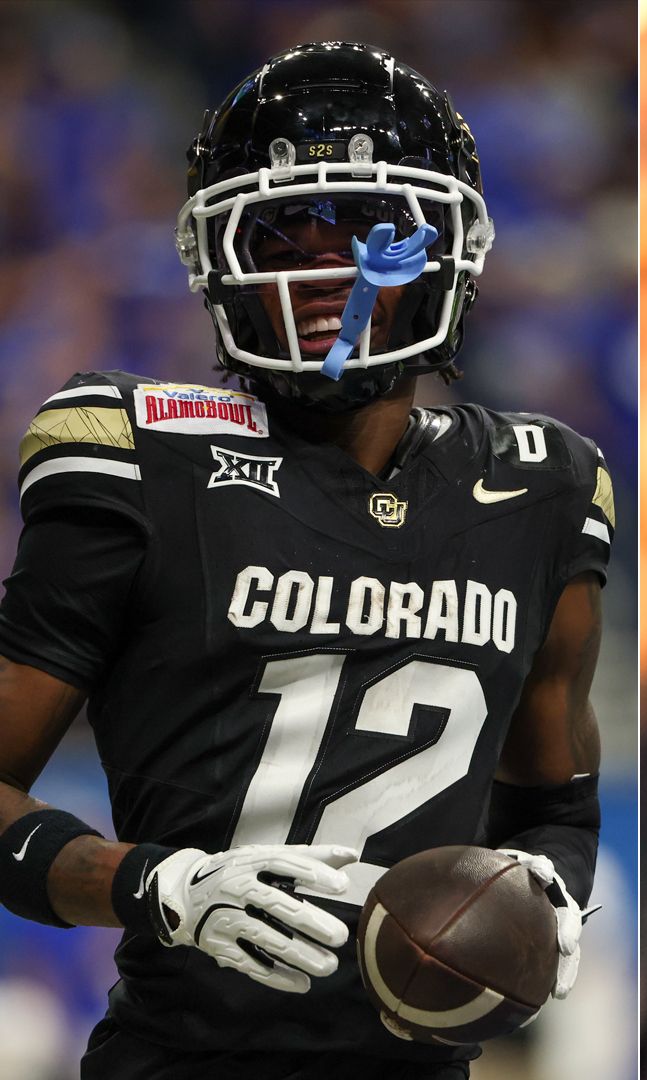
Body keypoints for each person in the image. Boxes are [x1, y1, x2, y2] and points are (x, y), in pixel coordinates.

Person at [0, 42, 610, 1079]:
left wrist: (543, 894)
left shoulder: (543, 487)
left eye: (370, 229)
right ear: (217, 256)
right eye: (288, 231)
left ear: (448, 248)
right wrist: (160, 885)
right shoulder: (140, 457)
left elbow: (555, 804)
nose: (332, 268)